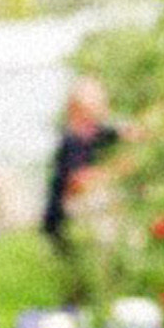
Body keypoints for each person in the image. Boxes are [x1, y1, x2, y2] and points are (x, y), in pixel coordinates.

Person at [40, 75, 119, 252]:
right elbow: (78, 181)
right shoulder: (73, 139)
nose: (103, 109)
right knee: (105, 204)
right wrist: (117, 170)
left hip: (71, 210)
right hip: (63, 221)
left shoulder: (92, 131)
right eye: (98, 104)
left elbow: (120, 132)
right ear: (79, 110)